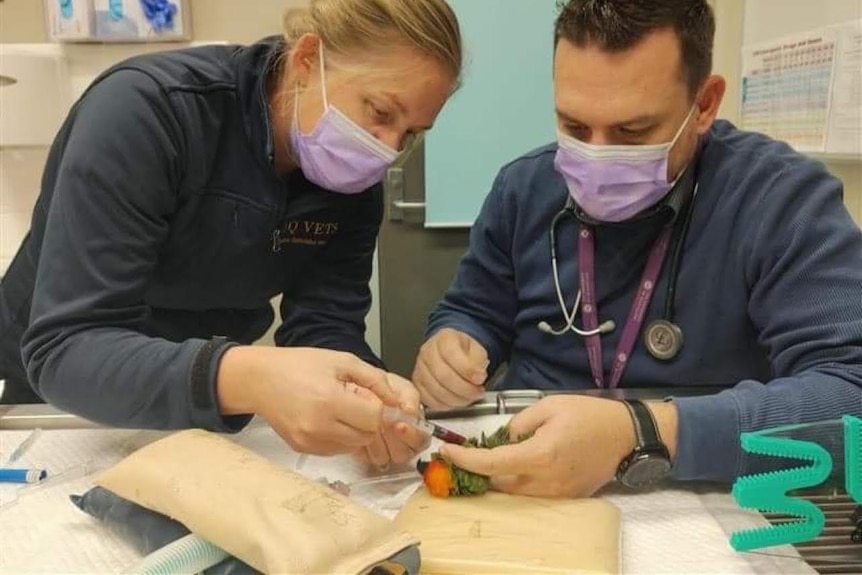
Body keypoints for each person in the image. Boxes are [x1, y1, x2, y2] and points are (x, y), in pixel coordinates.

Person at [413, 0, 862, 497]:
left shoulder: (780, 201)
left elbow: (852, 395)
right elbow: (474, 309)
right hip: (525, 478)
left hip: (696, 494)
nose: (598, 157)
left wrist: (646, 433)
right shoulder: (522, 189)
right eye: (575, 127)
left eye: (632, 131)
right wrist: (453, 343)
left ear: (705, 104)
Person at [0, 0, 462, 469]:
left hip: (199, 400)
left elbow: (325, 327)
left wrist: (371, 397)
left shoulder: (354, 186)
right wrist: (248, 375)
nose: (385, 153)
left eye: (410, 135)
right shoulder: (146, 112)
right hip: (58, 410)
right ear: (306, 60)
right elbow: (67, 349)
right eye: (381, 111)